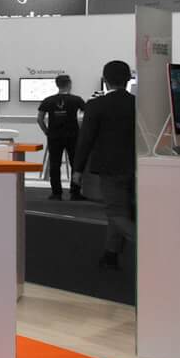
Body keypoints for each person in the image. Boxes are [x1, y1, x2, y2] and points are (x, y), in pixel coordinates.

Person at [74, 60, 137, 269]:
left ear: (105, 79)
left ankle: (150, 247)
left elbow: (86, 139)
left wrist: (78, 169)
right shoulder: (138, 104)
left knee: (116, 212)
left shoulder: (96, 105)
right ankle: (111, 253)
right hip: (136, 166)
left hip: (110, 167)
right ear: (128, 79)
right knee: (122, 210)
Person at [36, 74, 85, 200]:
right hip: (73, 135)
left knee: (54, 164)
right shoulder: (77, 100)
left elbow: (40, 119)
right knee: (75, 164)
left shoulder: (48, 100)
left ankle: (56, 193)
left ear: (57, 85)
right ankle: (75, 193)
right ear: (69, 84)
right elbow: (86, 116)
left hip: (54, 136)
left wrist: (47, 132)